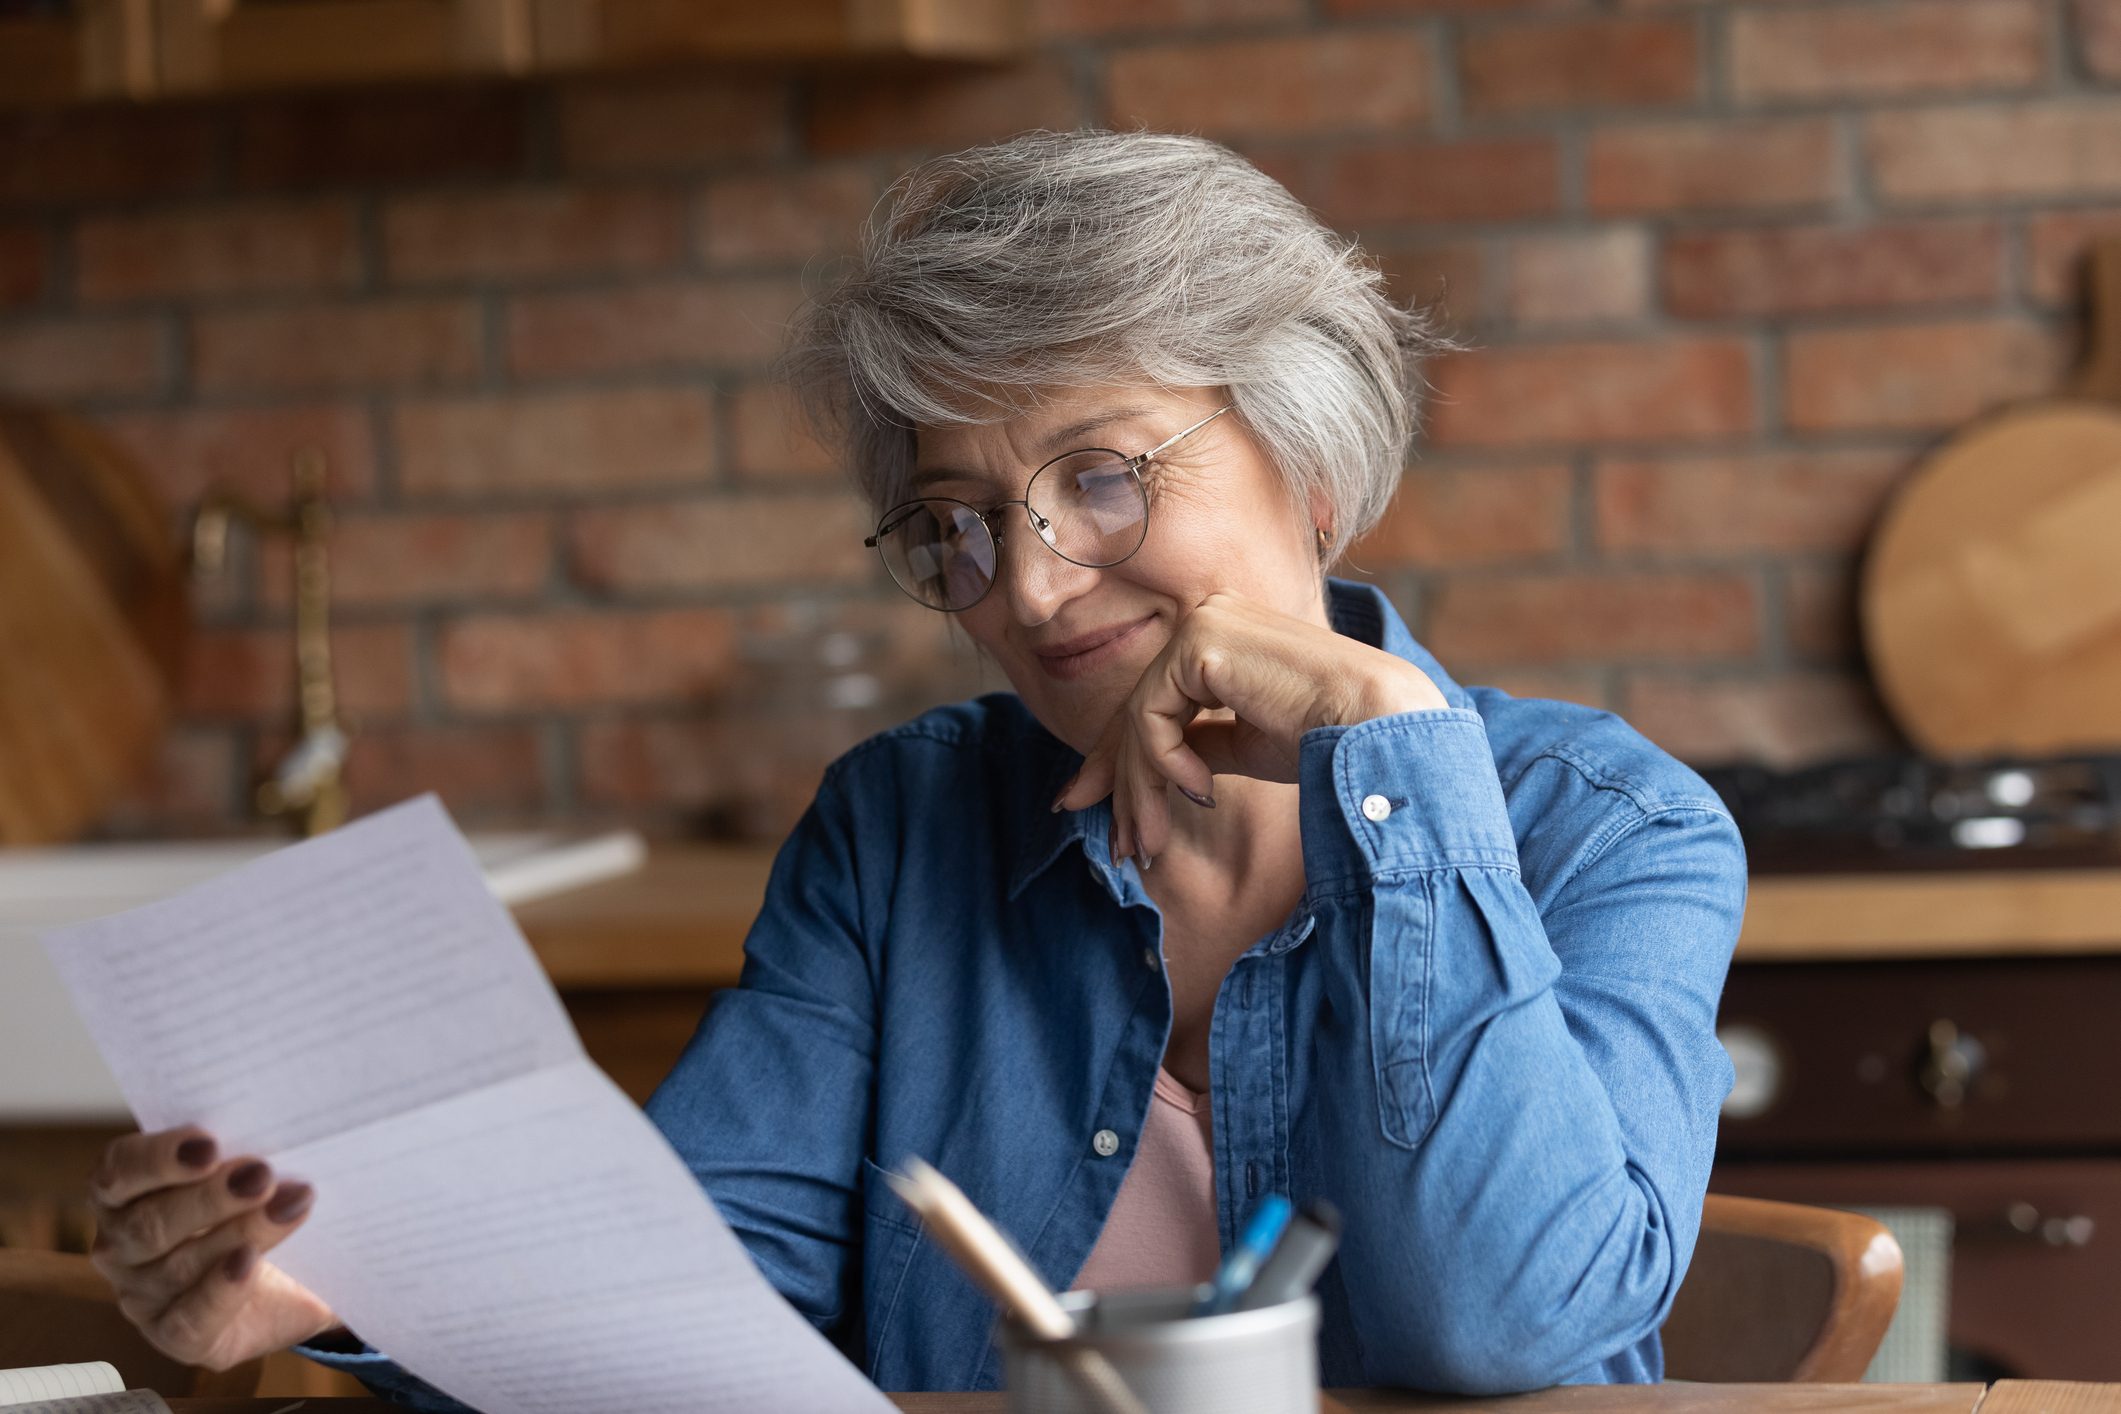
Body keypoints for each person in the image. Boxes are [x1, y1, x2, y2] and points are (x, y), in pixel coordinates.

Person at [83, 128, 1746, 1402]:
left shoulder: (1606, 830)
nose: (1021, 588)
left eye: (1101, 477)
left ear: (1307, 464)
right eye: (951, 525)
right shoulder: (898, 824)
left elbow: (1508, 1320)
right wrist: (348, 1279)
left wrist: (1393, 767)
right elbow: (695, 1306)